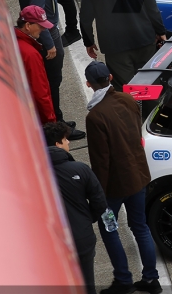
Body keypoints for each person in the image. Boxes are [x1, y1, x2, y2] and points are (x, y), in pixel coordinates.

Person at [0, 0, 84, 137]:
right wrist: (49, 43)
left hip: (41, 27)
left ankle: (58, 118)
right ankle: (57, 126)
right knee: (52, 81)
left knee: (51, 80)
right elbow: (37, 12)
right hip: (47, 30)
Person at [83, 61, 159, 294]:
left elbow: (101, 161)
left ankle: (123, 280)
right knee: (140, 227)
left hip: (114, 186)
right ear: (111, 76)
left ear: (89, 84)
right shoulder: (128, 100)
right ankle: (151, 279)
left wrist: (98, 194)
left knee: (109, 229)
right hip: (138, 176)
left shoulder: (95, 117)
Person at [44, 121, 107, 294]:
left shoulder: (33, 174)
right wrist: (86, 219)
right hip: (82, 239)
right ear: (57, 144)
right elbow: (100, 202)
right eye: (65, 140)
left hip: (50, 244)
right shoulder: (81, 169)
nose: (69, 143)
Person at [14, 6, 57, 125]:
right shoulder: (31, 54)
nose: (43, 29)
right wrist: (51, 122)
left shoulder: (11, 40)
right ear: (28, 26)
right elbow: (40, 92)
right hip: (34, 116)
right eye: (40, 26)